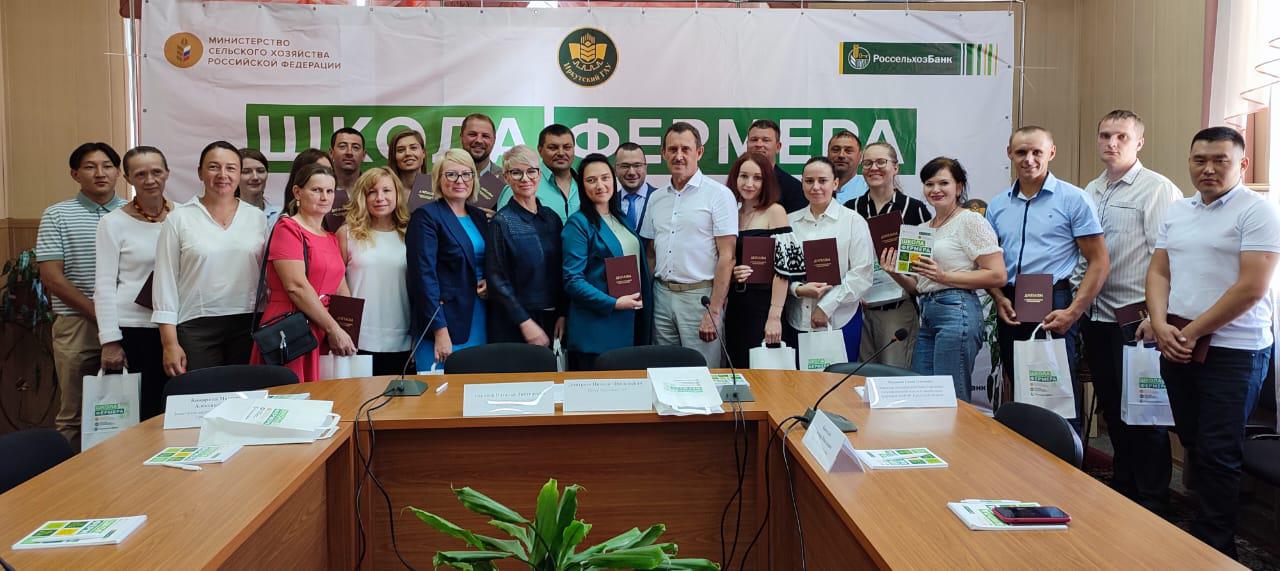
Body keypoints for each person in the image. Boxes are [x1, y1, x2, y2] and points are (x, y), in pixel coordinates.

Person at [1138, 126, 1278, 558]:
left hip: (1235, 351)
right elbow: (1159, 271)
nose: (1209, 169)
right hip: (1177, 343)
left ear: (1243, 164)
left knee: (1218, 452)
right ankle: (1199, 534)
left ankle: (1216, 550)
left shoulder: (1258, 212)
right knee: (1194, 443)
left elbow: (1251, 287)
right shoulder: (1179, 210)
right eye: (1200, 160)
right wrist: (1158, 322)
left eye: (1221, 160)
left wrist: (1191, 331)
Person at [1078, 110, 1181, 514]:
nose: (1111, 143)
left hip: (1138, 323)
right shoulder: (1092, 189)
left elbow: (1168, 259)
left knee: (1145, 413)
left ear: (1139, 142)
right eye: (1105, 135)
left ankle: (1153, 499)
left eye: (1121, 136)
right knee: (1113, 409)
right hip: (1099, 317)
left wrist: (1157, 317)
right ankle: (1124, 487)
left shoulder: (1157, 189)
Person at [986, 126, 1108, 424]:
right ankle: (1026, 455)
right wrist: (998, 298)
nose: (1029, 159)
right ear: (1009, 154)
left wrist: (1073, 312)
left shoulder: (1074, 199)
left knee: (1056, 394)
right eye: (1021, 152)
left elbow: (1099, 261)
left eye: (1036, 152)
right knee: (1021, 390)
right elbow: (987, 263)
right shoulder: (998, 204)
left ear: (1051, 152)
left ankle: (1067, 455)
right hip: (1011, 304)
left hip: (1054, 302)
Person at [878, 158, 1005, 401]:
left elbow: (997, 274)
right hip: (927, 313)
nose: (935, 189)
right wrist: (893, 272)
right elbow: (917, 287)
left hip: (957, 311)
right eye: (929, 184)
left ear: (959, 187)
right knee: (923, 398)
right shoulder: (922, 229)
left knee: (952, 398)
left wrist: (944, 276)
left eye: (943, 183)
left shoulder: (970, 220)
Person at [36, 142, 126, 446]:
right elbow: (52, 278)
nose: (100, 173)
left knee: (127, 407)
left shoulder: (132, 212)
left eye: (107, 166)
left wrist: (114, 320)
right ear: (75, 174)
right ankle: (69, 475)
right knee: (73, 414)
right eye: (90, 167)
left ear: (118, 172)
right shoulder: (57, 215)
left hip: (128, 322)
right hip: (77, 324)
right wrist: (101, 316)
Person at [153, 141, 268, 377]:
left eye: (231, 168)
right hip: (196, 327)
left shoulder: (257, 218)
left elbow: (267, 277)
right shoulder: (179, 219)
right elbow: (165, 284)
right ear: (200, 173)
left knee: (246, 394)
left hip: (248, 322)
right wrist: (169, 343)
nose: (222, 175)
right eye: (214, 167)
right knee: (203, 395)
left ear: (239, 173)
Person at [639, 122, 738, 367]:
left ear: (699, 152)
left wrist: (714, 310)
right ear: (663, 153)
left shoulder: (719, 194)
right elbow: (650, 253)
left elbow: (727, 257)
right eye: (672, 149)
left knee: (703, 371)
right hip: (661, 296)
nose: (679, 156)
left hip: (700, 298)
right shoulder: (656, 198)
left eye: (686, 149)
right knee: (664, 371)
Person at [250, 164, 357, 381]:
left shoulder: (330, 237)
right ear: (298, 192)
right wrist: (334, 329)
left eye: (329, 191)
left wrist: (348, 331)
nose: (324, 197)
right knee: (291, 394)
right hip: (293, 326)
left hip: (324, 327)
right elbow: (296, 287)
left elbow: (340, 287)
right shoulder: (288, 228)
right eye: (316, 190)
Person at [94, 146, 174, 420]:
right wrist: (110, 341)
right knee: (143, 411)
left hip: (177, 327)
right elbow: (104, 286)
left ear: (167, 173)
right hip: (135, 329)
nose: (150, 179)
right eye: (140, 174)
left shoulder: (184, 215)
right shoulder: (112, 223)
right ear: (127, 178)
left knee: (176, 407)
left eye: (156, 172)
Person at [561, 154, 652, 371]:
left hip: (631, 322)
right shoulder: (578, 223)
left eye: (605, 178)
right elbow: (572, 280)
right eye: (591, 180)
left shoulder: (620, 217)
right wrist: (613, 303)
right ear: (582, 186)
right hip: (597, 329)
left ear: (613, 179)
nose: (600, 185)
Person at [848, 142, 932, 369]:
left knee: (894, 378)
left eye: (881, 162)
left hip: (896, 309)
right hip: (857, 310)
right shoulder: (850, 209)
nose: (873, 167)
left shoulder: (915, 209)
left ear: (895, 167)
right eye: (867, 163)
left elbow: (921, 273)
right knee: (859, 379)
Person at [406, 149, 490, 371]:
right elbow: (423, 277)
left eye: (466, 174)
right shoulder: (426, 217)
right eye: (451, 174)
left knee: (475, 385)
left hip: (480, 315)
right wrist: (439, 330)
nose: (459, 180)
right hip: (444, 322)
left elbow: (489, 262)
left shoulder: (479, 216)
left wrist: (490, 281)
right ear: (438, 179)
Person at [784, 157, 875, 356]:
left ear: (835, 183)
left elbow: (862, 274)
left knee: (838, 374)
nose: (815, 187)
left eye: (822, 181)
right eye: (809, 181)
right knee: (796, 376)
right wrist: (796, 289)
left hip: (840, 319)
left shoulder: (853, 221)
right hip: (797, 319)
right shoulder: (789, 223)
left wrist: (826, 307)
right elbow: (781, 271)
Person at [724, 152, 802, 368]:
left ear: (766, 181)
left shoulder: (775, 211)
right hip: (736, 307)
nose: (749, 184)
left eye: (757, 178)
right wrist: (732, 274)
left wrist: (774, 316)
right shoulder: (731, 213)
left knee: (766, 375)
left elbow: (787, 267)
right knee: (738, 369)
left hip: (764, 306)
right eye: (743, 176)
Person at [486, 145, 567, 346]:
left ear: (539, 175)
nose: (525, 178)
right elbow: (496, 279)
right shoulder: (501, 222)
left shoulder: (552, 219)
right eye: (516, 172)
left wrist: (563, 313)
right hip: (515, 323)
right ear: (506, 177)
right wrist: (525, 322)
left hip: (553, 319)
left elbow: (562, 270)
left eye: (531, 171)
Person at [338, 166, 413, 376]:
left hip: (403, 338)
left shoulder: (411, 233)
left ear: (397, 194)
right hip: (358, 339)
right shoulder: (347, 234)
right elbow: (336, 282)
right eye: (372, 192)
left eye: (386, 190)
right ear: (362, 197)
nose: (380, 198)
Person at [496, 124, 580, 222]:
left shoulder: (585, 183)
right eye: (553, 148)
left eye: (567, 147)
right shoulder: (521, 184)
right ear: (540, 150)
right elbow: (504, 224)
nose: (561, 153)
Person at [745, 119, 808, 213]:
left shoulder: (794, 189)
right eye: (754, 140)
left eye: (766, 140)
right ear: (747, 145)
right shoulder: (736, 183)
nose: (759, 144)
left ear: (778, 147)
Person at [459, 113, 505, 214]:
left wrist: (499, 220)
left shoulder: (507, 180)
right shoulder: (440, 178)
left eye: (485, 136)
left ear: (494, 140)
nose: (479, 140)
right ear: (461, 136)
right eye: (472, 134)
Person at [614, 142, 656, 231]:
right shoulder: (608, 203)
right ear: (615, 170)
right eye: (625, 166)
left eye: (637, 165)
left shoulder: (661, 199)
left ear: (646, 168)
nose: (631, 172)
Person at [282, 148, 333, 219]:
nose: (326, 175)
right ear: (297, 192)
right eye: (319, 171)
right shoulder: (287, 223)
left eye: (330, 170)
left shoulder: (330, 218)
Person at [388, 128, 431, 205]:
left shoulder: (437, 187)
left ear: (423, 153)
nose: (408, 153)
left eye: (413, 148)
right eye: (401, 150)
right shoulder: (386, 189)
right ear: (394, 156)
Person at [238, 147, 279, 227]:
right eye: (246, 172)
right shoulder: (223, 216)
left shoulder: (282, 216)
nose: (255, 177)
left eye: (260, 171)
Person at [828, 130, 869, 204]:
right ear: (827, 154)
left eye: (848, 151)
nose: (841, 155)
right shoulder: (815, 186)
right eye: (836, 150)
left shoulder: (870, 188)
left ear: (860, 157)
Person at [330, 127, 366, 192]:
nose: (349, 152)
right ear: (331, 153)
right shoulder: (319, 186)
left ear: (363, 155)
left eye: (355, 147)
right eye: (342, 146)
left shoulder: (372, 187)